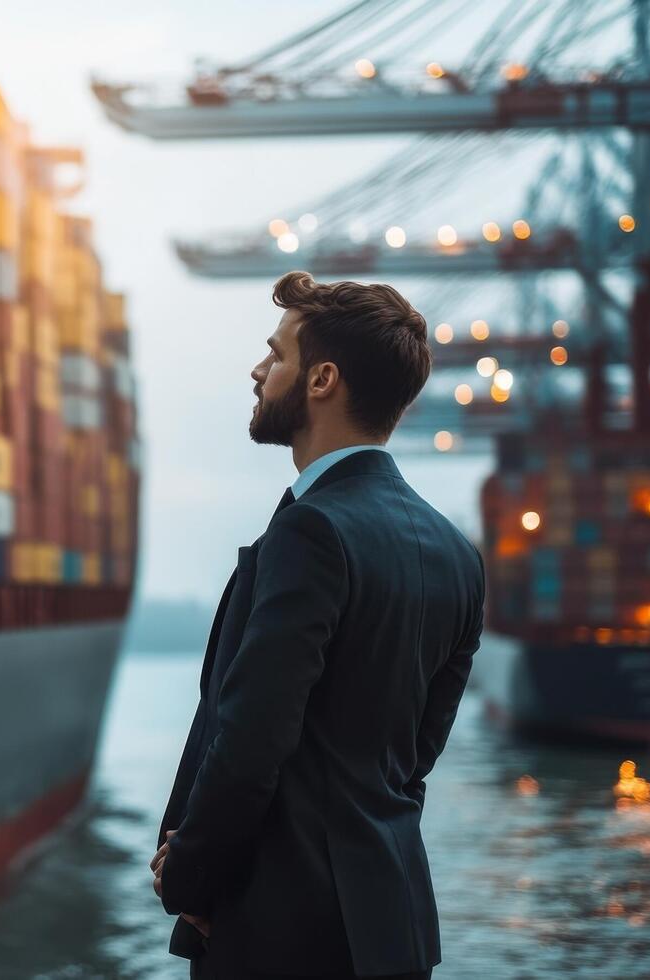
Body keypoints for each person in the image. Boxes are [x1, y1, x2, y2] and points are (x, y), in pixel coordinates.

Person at [151, 272, 485, 979]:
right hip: (394, 928)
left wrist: (191, 880)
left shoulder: (312, 532)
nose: (258, 370)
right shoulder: (458, 555)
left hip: (285, 936)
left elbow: (251, 740)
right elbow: (412, 762)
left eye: (277, 355)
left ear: (323, 379)